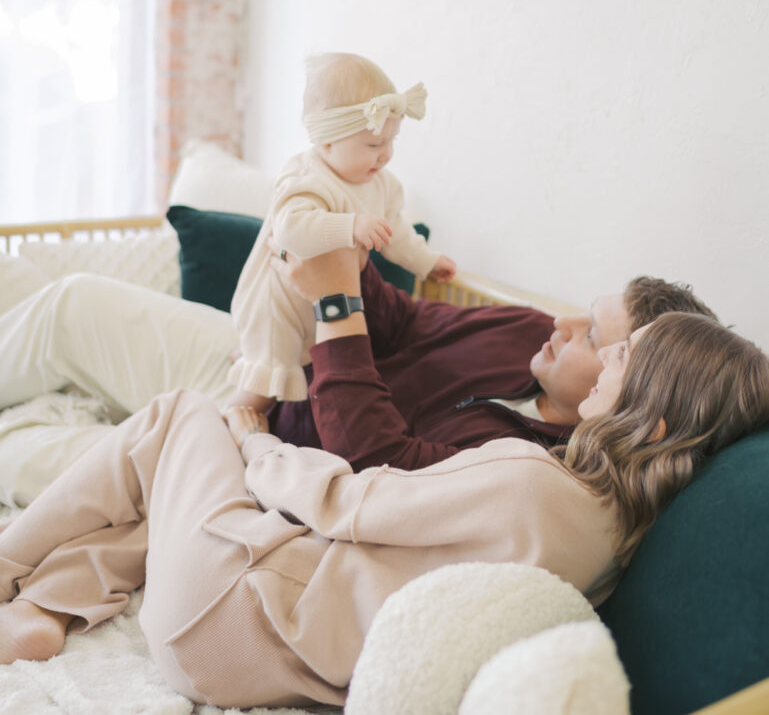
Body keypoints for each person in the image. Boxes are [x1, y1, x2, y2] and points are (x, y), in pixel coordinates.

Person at [0, 295, 767, 710]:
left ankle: (12, 566)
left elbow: (345, 501)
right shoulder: (610, 536)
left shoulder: (536, 481)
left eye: (622, 353)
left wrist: (251, 439)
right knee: (185, 472)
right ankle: (54, 603)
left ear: (654, 420)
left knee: (180, 416)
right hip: (264, 657)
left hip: (229, 614)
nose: (605, 354)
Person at [0, 246, 716, 504]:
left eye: (593, 337)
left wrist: (335, 305)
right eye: (580, 313)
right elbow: (401, 320)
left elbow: (373, 462)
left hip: (256, 457)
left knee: (26, 461)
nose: (562, 326)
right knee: (73, 302)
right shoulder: (527, 333)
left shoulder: (529, 467)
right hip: (272, 371)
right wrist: (343, 252)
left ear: (627, 386)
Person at [225, 51, 455, 419]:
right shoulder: (306, 176)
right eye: (374, 145)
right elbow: (291, 230)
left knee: (306, 362)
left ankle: (247, 362)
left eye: (391, 142)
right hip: (279, 300)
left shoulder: (383, 186)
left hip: (319, 301)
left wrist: (426, 261)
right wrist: (350, 226)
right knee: (268, 376)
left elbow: (395, 233)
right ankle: (227, 420)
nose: (386, 156)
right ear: (327, 142)